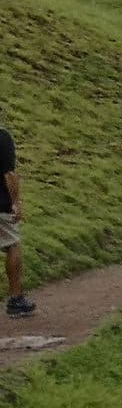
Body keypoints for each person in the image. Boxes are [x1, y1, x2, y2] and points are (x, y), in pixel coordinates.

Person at [1, 124, 33, 317]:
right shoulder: (2, 137)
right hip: (1, 206)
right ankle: (15, 299)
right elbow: (9, 174)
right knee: (13, 245)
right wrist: (16, 202)